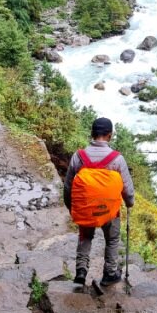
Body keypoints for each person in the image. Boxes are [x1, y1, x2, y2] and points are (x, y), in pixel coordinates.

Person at [64, 117, 135, 286]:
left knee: (85, 237)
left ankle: (81, 270)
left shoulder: (78, 157)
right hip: (109, 210)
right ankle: (110, 272)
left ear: (92, 134)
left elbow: (68, 186)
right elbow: (127, 189)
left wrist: (72, 207)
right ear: (109, 136)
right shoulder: (117, 159)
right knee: (112, 239)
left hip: (86, 207)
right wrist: (129, 202)